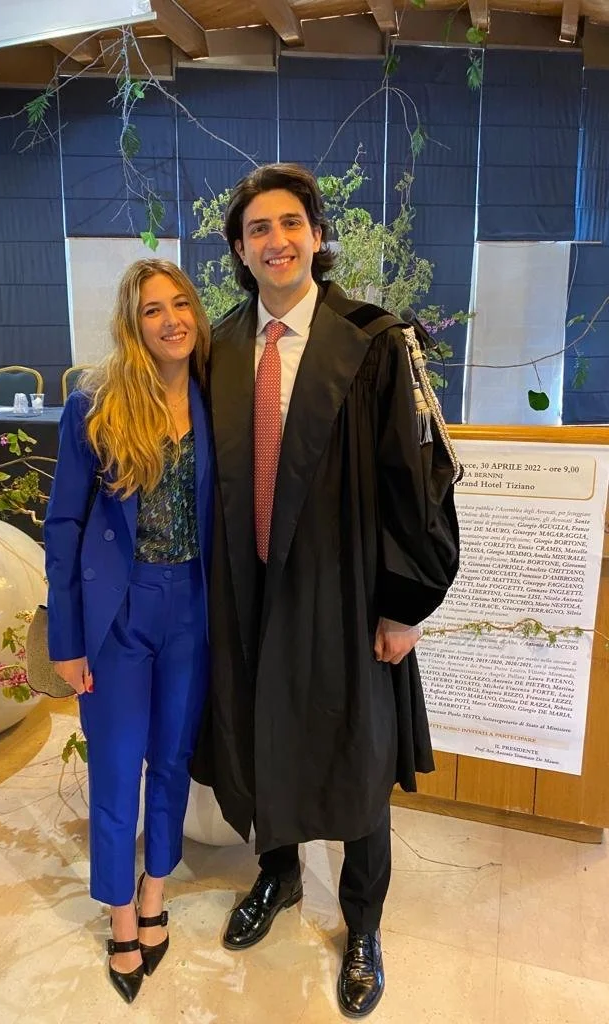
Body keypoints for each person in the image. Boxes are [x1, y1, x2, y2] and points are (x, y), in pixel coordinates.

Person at [191, 163, 461, 1018]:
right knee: (262, 737)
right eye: (257, 229)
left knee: (356, 754)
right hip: (248, 587)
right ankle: (274, 874)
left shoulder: (373, 342)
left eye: (289, 224)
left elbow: (418, 482)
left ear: (315, 233)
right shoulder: (222, 348)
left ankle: (364, 923)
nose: (275, 241)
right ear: (239, 248)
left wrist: (405, 604)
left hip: (343, 592)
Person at [44, 258, 213, 1005]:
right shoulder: (93, 408)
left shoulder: (216, 401)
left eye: (182, 304)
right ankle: (118, 915)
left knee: (172, 761)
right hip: (117, 610)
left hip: (194, 609)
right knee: (116, 771)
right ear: (131, 322)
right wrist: (65, 638)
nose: (172, 319)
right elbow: (64, 524)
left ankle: (153, 890)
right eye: (153, 309)